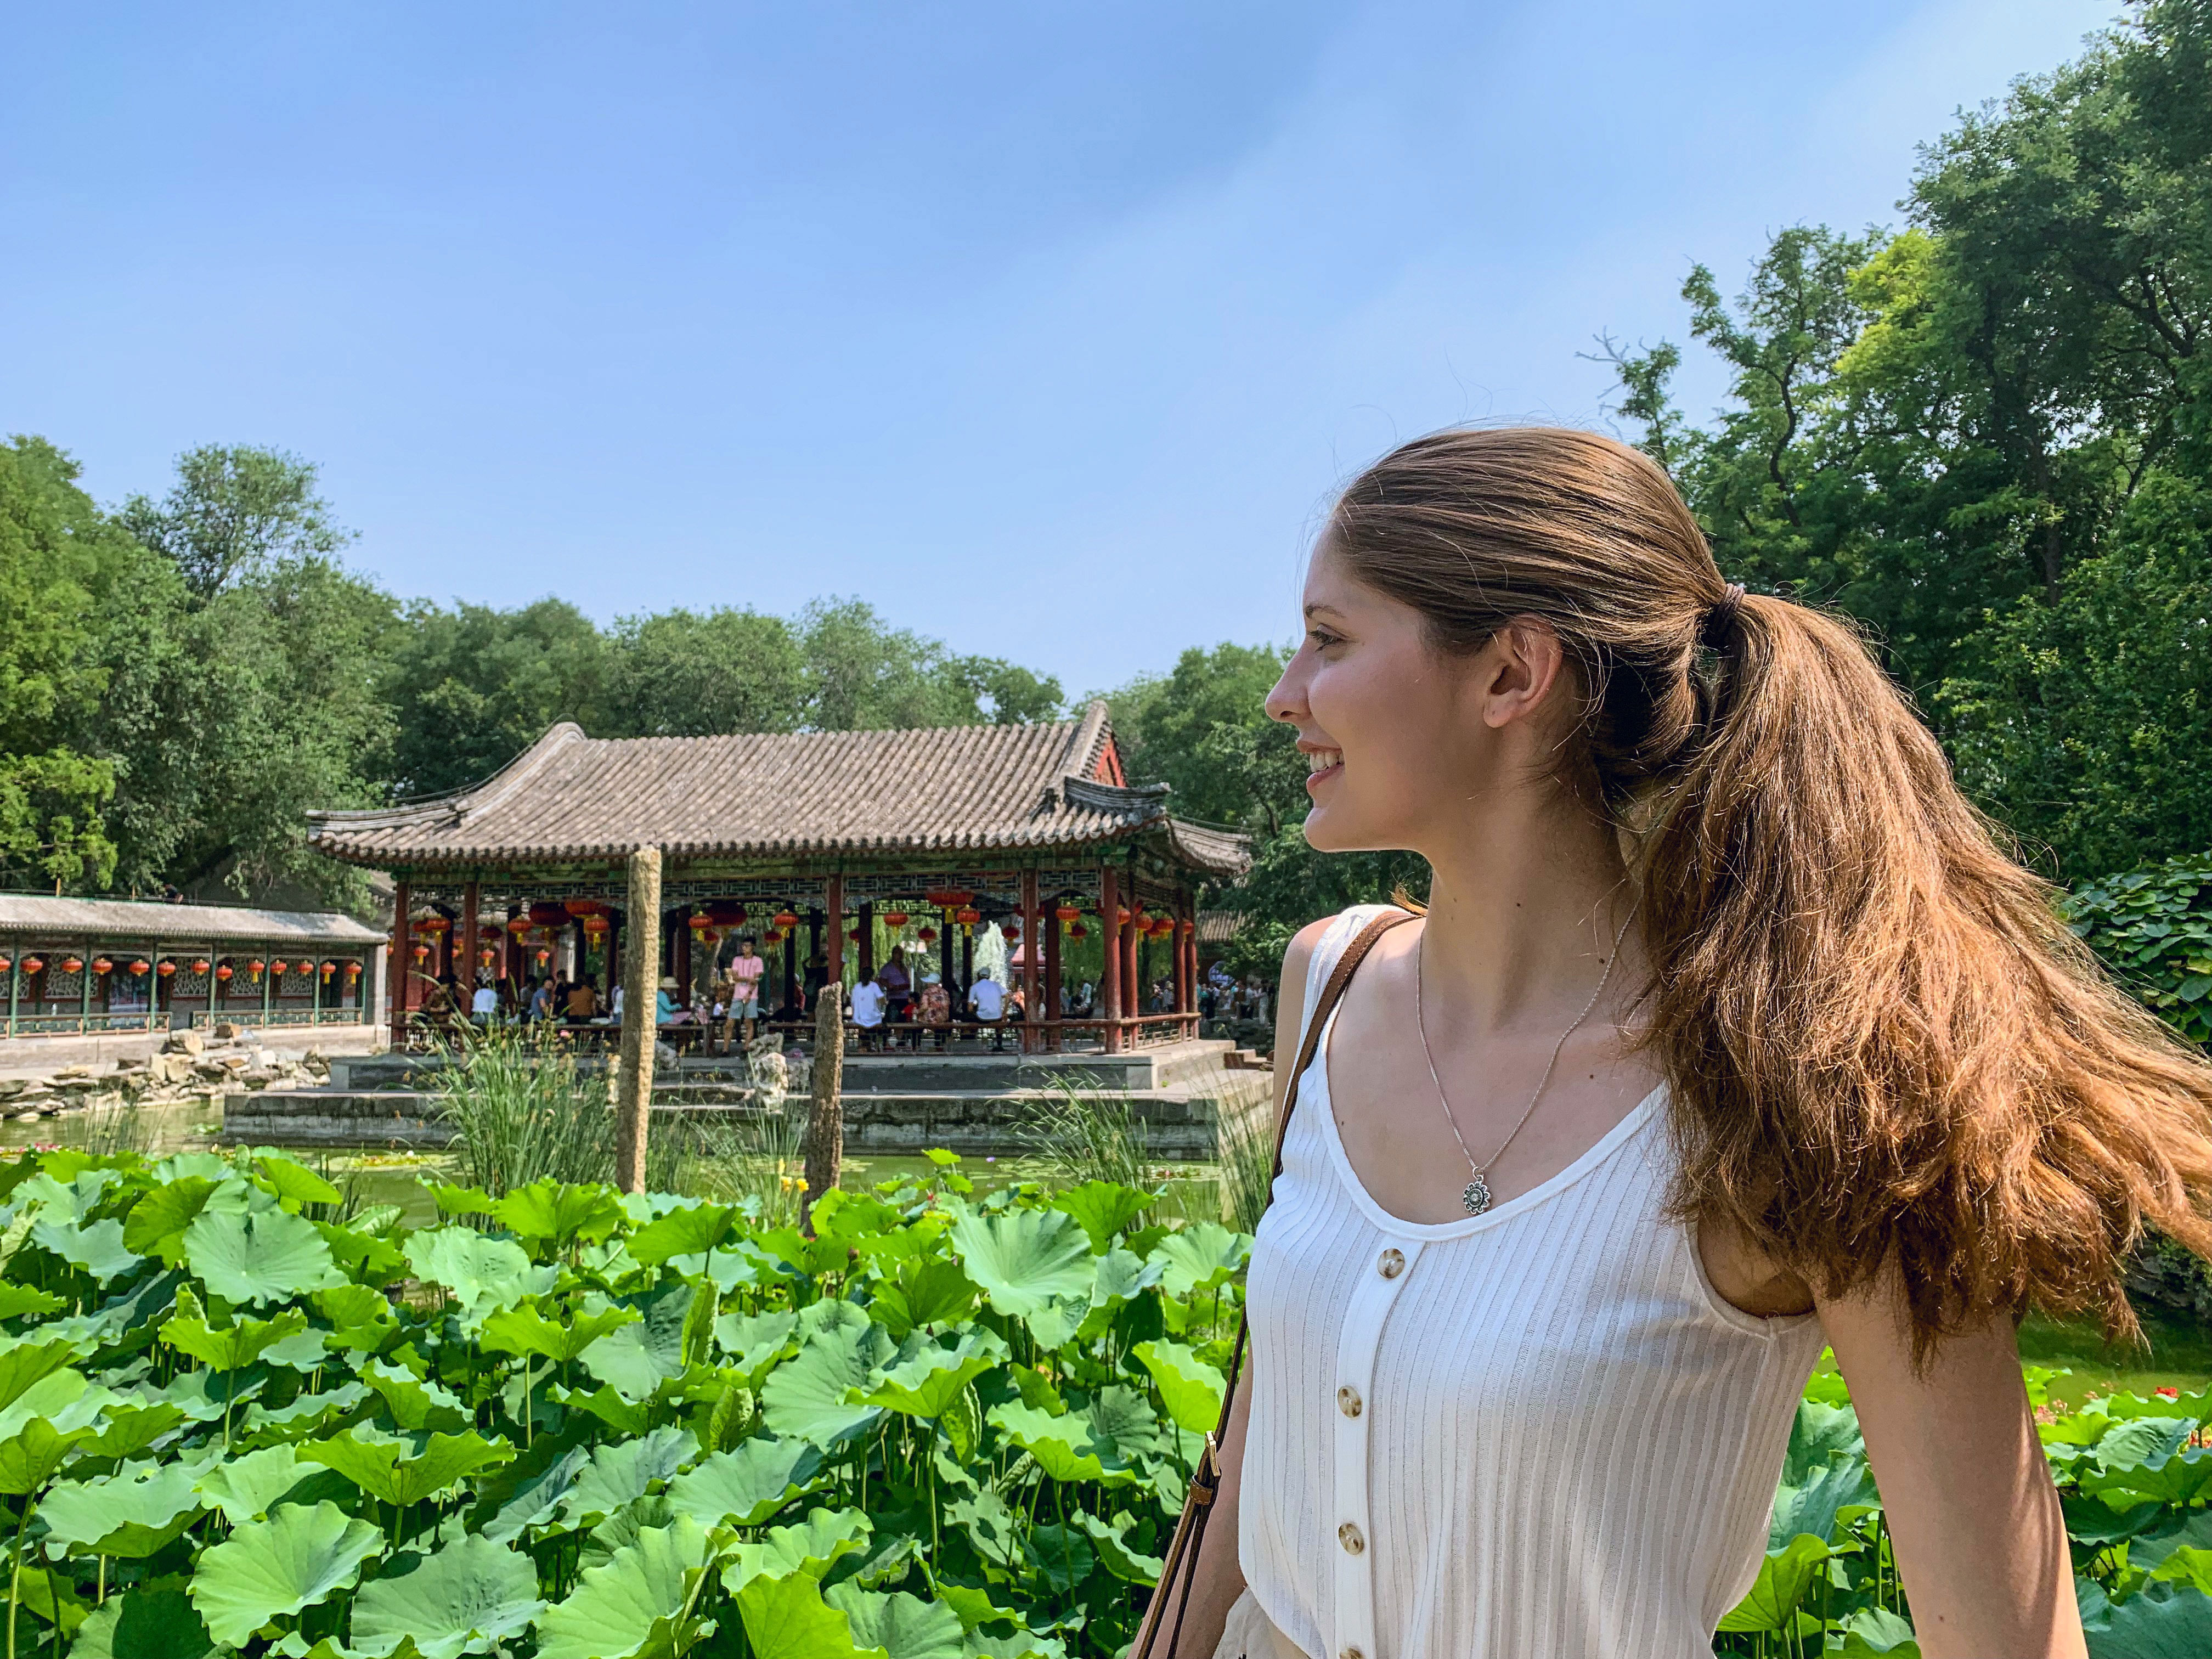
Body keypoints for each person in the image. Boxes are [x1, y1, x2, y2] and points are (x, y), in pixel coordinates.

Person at [1148, 427, 2212, 1659]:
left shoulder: (1803, 1086)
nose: (1285, 691)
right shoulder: (1326, 984)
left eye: (1330, 639)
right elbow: (1258, 1429)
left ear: (1510, 677)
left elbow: (2010, 1639)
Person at [730, 936, 767, 1044]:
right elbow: (735, 977)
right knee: (731, 1021)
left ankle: (747, 1046)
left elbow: (755, 980)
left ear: (753, 947)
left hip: (751, 995)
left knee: (748, 1021)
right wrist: (747, 978)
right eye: (743, 946)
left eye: (747, 946)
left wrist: (749, 993)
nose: (744, 948)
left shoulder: (758, 961)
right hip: (737, 995)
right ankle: (728, 1047)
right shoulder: (737, 960)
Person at [968, 969, 1007, 1051]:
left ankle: (969, 1040)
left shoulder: (974, 987)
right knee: (999, 1024)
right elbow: (1008, 996)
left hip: (982, 1018)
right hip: (997, 1017)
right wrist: (1004, 1012)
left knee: (966, 1017)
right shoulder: (996, 985)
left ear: (979, 976)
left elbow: (970, 1008)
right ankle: (999, 1045)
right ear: (989, 976)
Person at [849, 972, 887, 1051]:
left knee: (862, 1026)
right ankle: (878, 1044)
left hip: (858, 1018)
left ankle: (865, 1045)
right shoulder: (874, 986)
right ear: (872, 977)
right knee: (884, 1023)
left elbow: (853, 1004)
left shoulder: (856, 987)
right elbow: (883, 1001)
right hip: (872, 1017)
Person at [916, 970, 951, 1052]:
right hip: (943, 1019)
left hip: (931, 1019)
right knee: (940, 1029)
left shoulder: (927, 992)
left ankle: (916, 1046)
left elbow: (924, 1007)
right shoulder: (945, 992)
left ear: (930, 983)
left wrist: (917, 1012)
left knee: (917, 1025)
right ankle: (939, 1046)